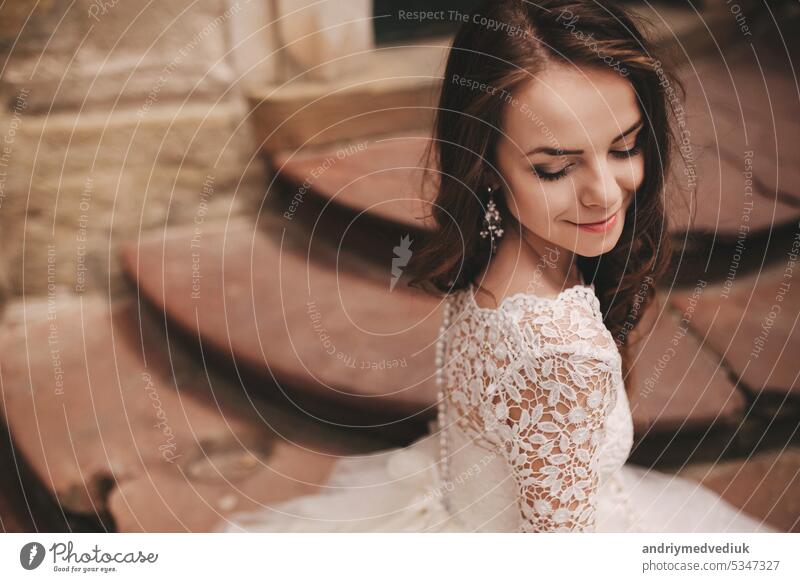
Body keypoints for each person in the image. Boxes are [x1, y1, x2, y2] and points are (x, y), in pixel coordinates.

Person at [214, 0, 778, 533]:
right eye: (555, 169)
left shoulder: (495, 251)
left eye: (625, 148)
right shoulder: (562, 354)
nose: (605, 194)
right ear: (485, 165)